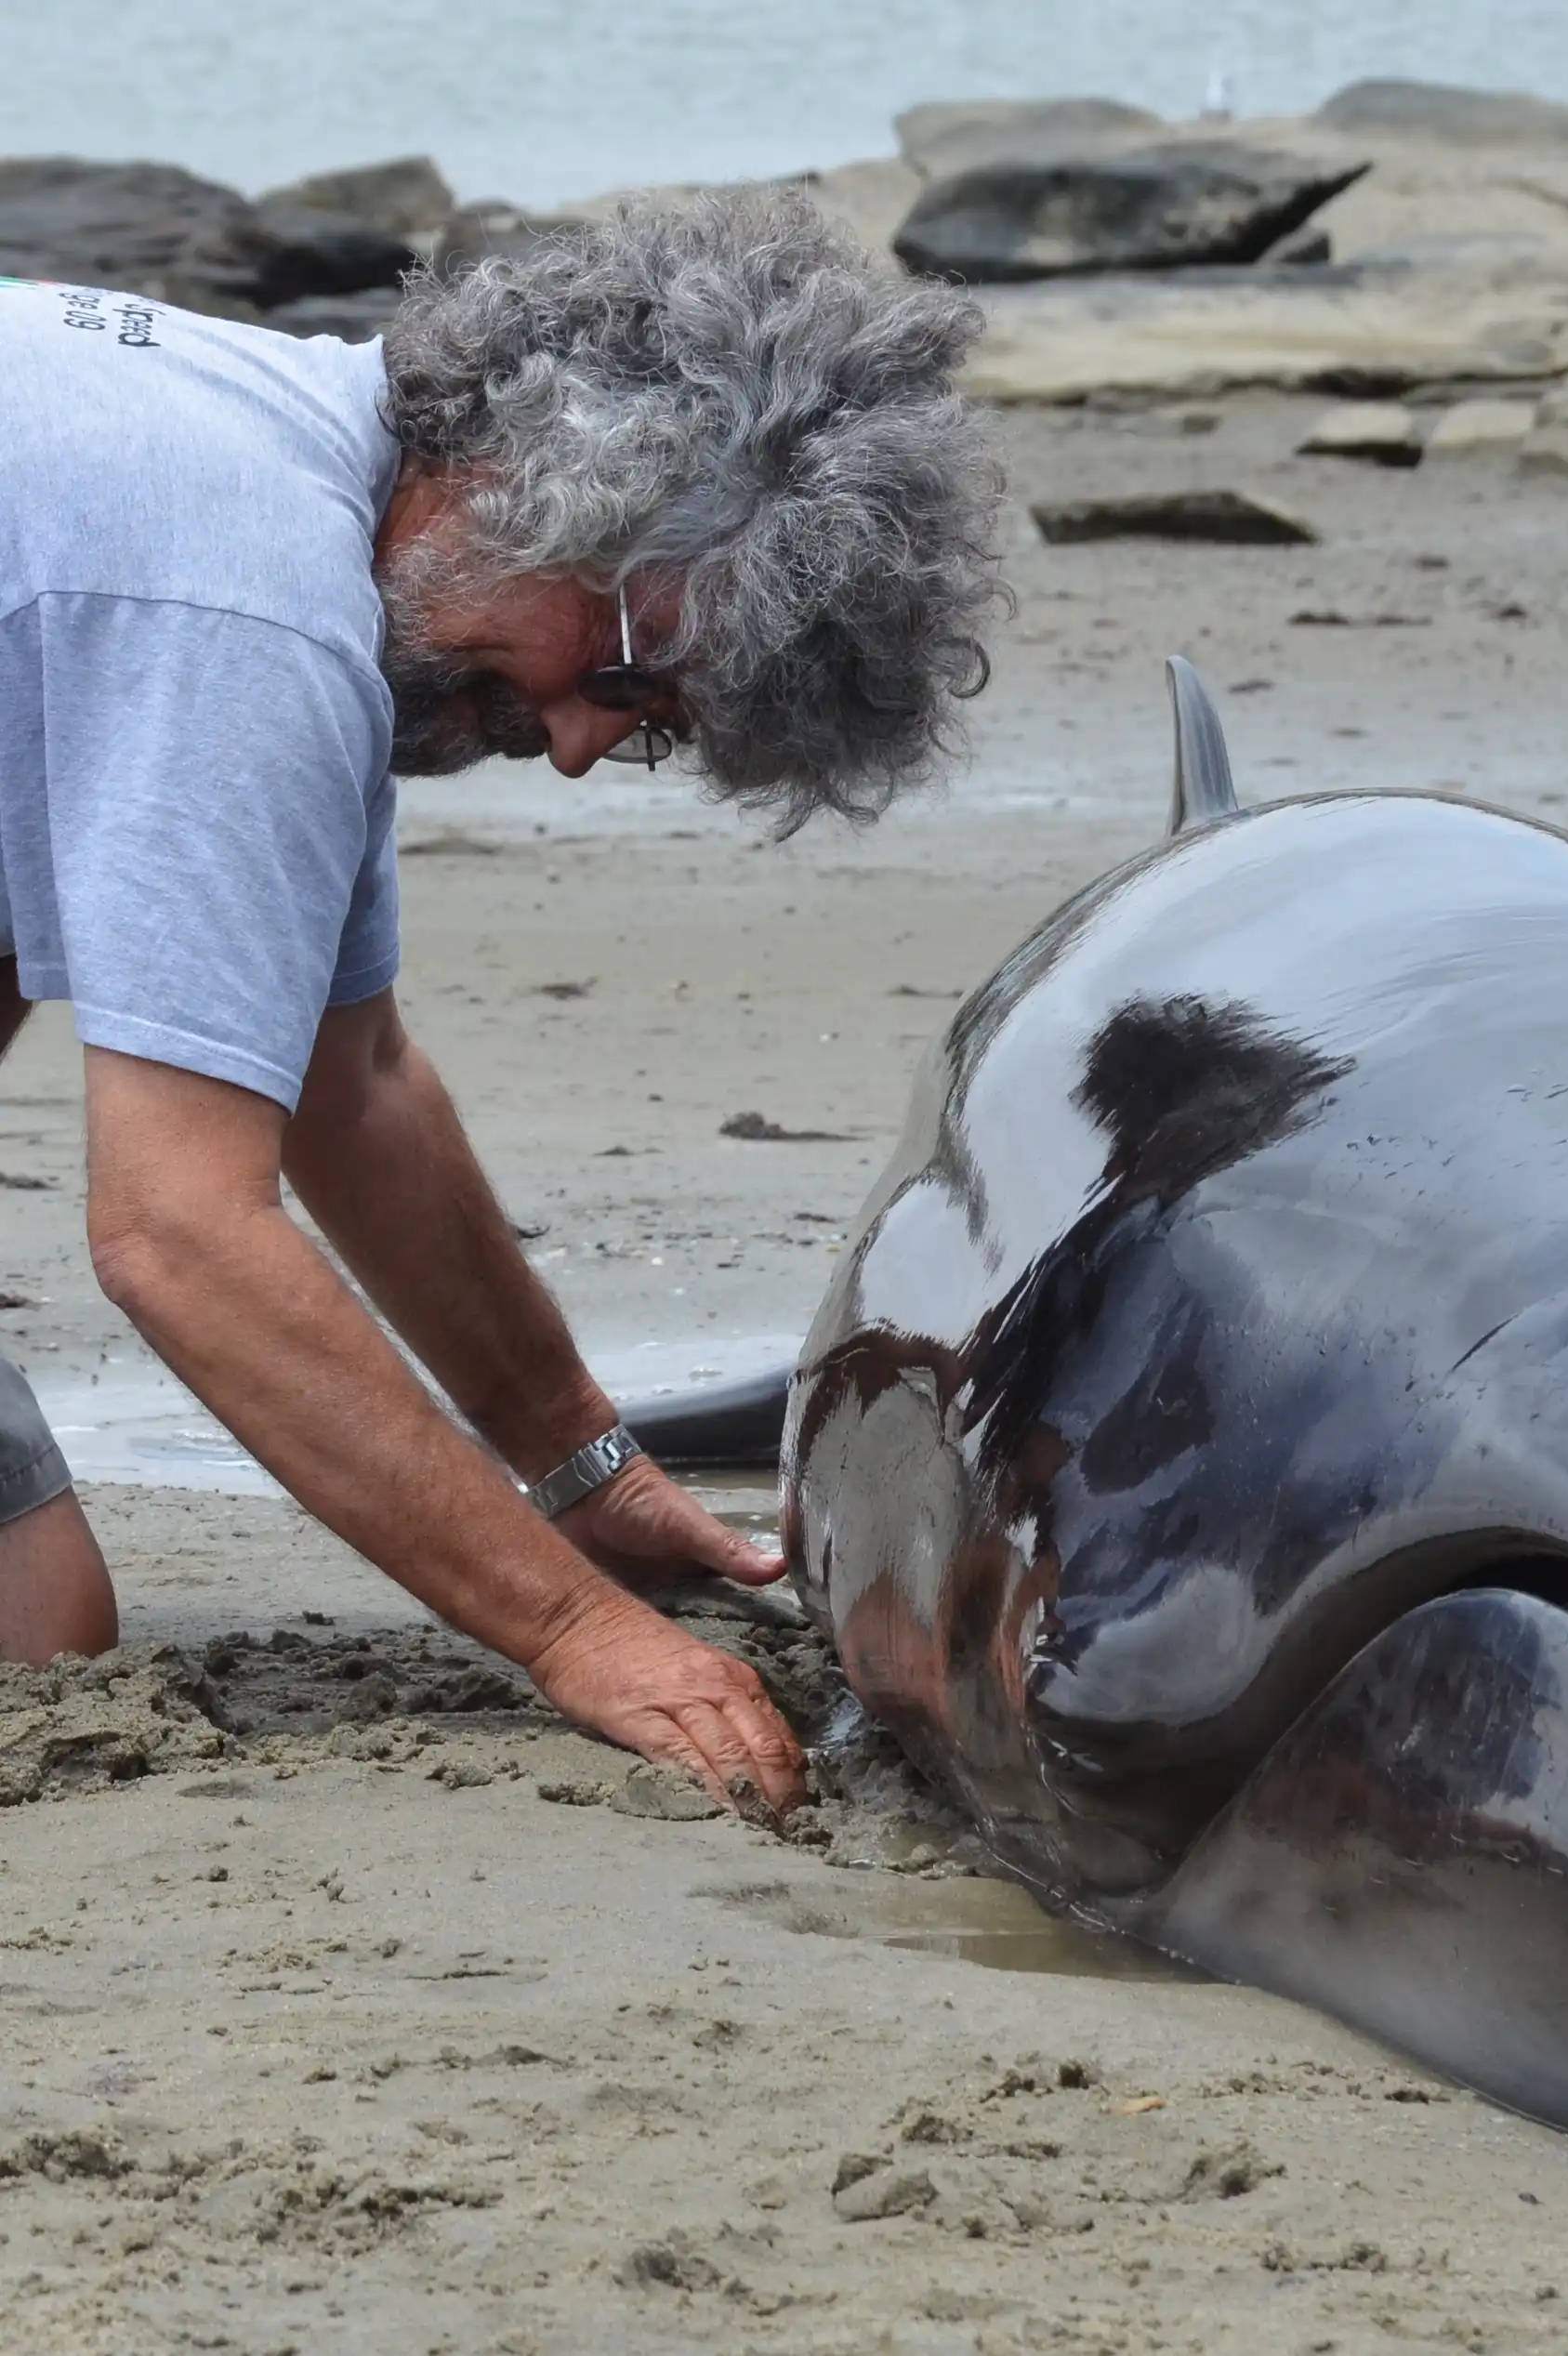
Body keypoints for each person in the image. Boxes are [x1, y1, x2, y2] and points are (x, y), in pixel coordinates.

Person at [0, 190, 1004, 1812]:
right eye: (617, 673)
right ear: (555, 490)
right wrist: (573, 1632)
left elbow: (355, 1084)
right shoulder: (247, 612)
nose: (583, 746)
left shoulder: (289, 489)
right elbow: (181, 1234)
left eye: (656, 726)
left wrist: (582, 1466)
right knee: (34, 1641)